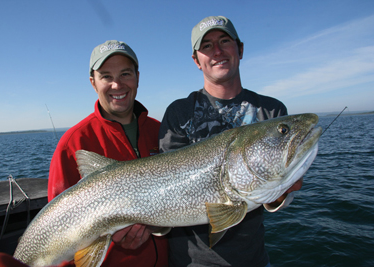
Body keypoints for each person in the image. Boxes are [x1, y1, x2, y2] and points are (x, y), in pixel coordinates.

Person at [158, 16, 303, 267]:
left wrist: (281, 193)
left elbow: (276, 197)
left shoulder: (271, 111)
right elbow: (163, 186)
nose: (217, 51)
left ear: (241, 49)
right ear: (197, 60)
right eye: (207, 46)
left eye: (225, 41)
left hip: (253, 259)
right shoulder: (179, 112)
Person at [48, 40, 168, 266]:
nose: (117, 85)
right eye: (106, 76)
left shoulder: (161, 131)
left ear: (138, 77)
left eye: (125, 74)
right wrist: (111, 239)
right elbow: (57, 231)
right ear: (93, 83)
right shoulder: (73, 143)